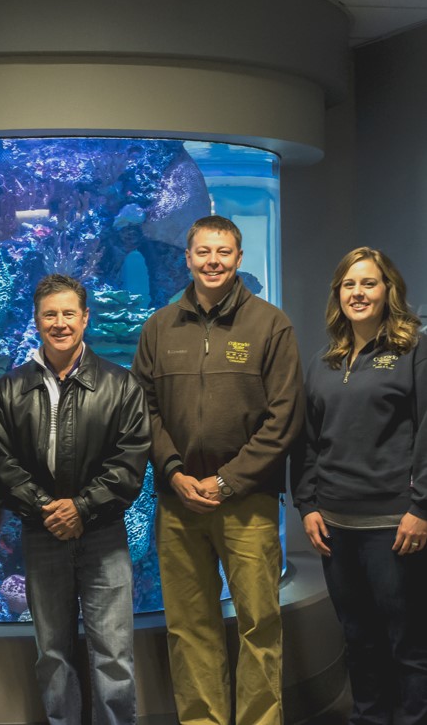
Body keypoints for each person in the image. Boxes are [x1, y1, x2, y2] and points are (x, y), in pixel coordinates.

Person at [131, 215, 304, 725]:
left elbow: (284, 417)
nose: (213, 262)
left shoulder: (271, 325)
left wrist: (229, 480)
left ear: (239, 258)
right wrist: (173, 471)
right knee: (190, 627)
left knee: (258, 625)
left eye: (223, 252)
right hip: (178, 502)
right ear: (187, 258)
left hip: (247, 503)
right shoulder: (160, 327)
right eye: (203, 252)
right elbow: (143, 410)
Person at [0, 274, 149, 725]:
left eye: (68, 313)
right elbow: (1, 463)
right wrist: (46, 508)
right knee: (53, 654)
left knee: (113, 655)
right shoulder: (9, 389)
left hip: (104, 536)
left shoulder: (122, 385)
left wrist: (81, 508)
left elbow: (130, 462)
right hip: (41, 535)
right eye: (50, 314)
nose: (60, 323)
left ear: (85, 318)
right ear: (37, 320)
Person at [293, 247, 427, 725]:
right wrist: (306, 503)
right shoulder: (324, 360)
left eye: (369, 283)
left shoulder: (414, 351)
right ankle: (368, 717)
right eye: (349, 285)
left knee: (407, 641)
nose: (358, 293)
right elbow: (307, 440)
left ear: (388, 289)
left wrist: (422, 508)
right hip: (334, 527)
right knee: (357, 636)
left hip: (394, 525)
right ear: (338, 295)